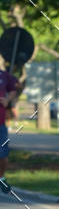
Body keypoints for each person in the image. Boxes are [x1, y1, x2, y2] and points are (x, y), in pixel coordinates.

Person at [0, 65, 19, 193]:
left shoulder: (4, 75)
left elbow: (15, 88)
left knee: (3, 155)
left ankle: (1, 178)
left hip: (0, 123)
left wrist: (7, 99)